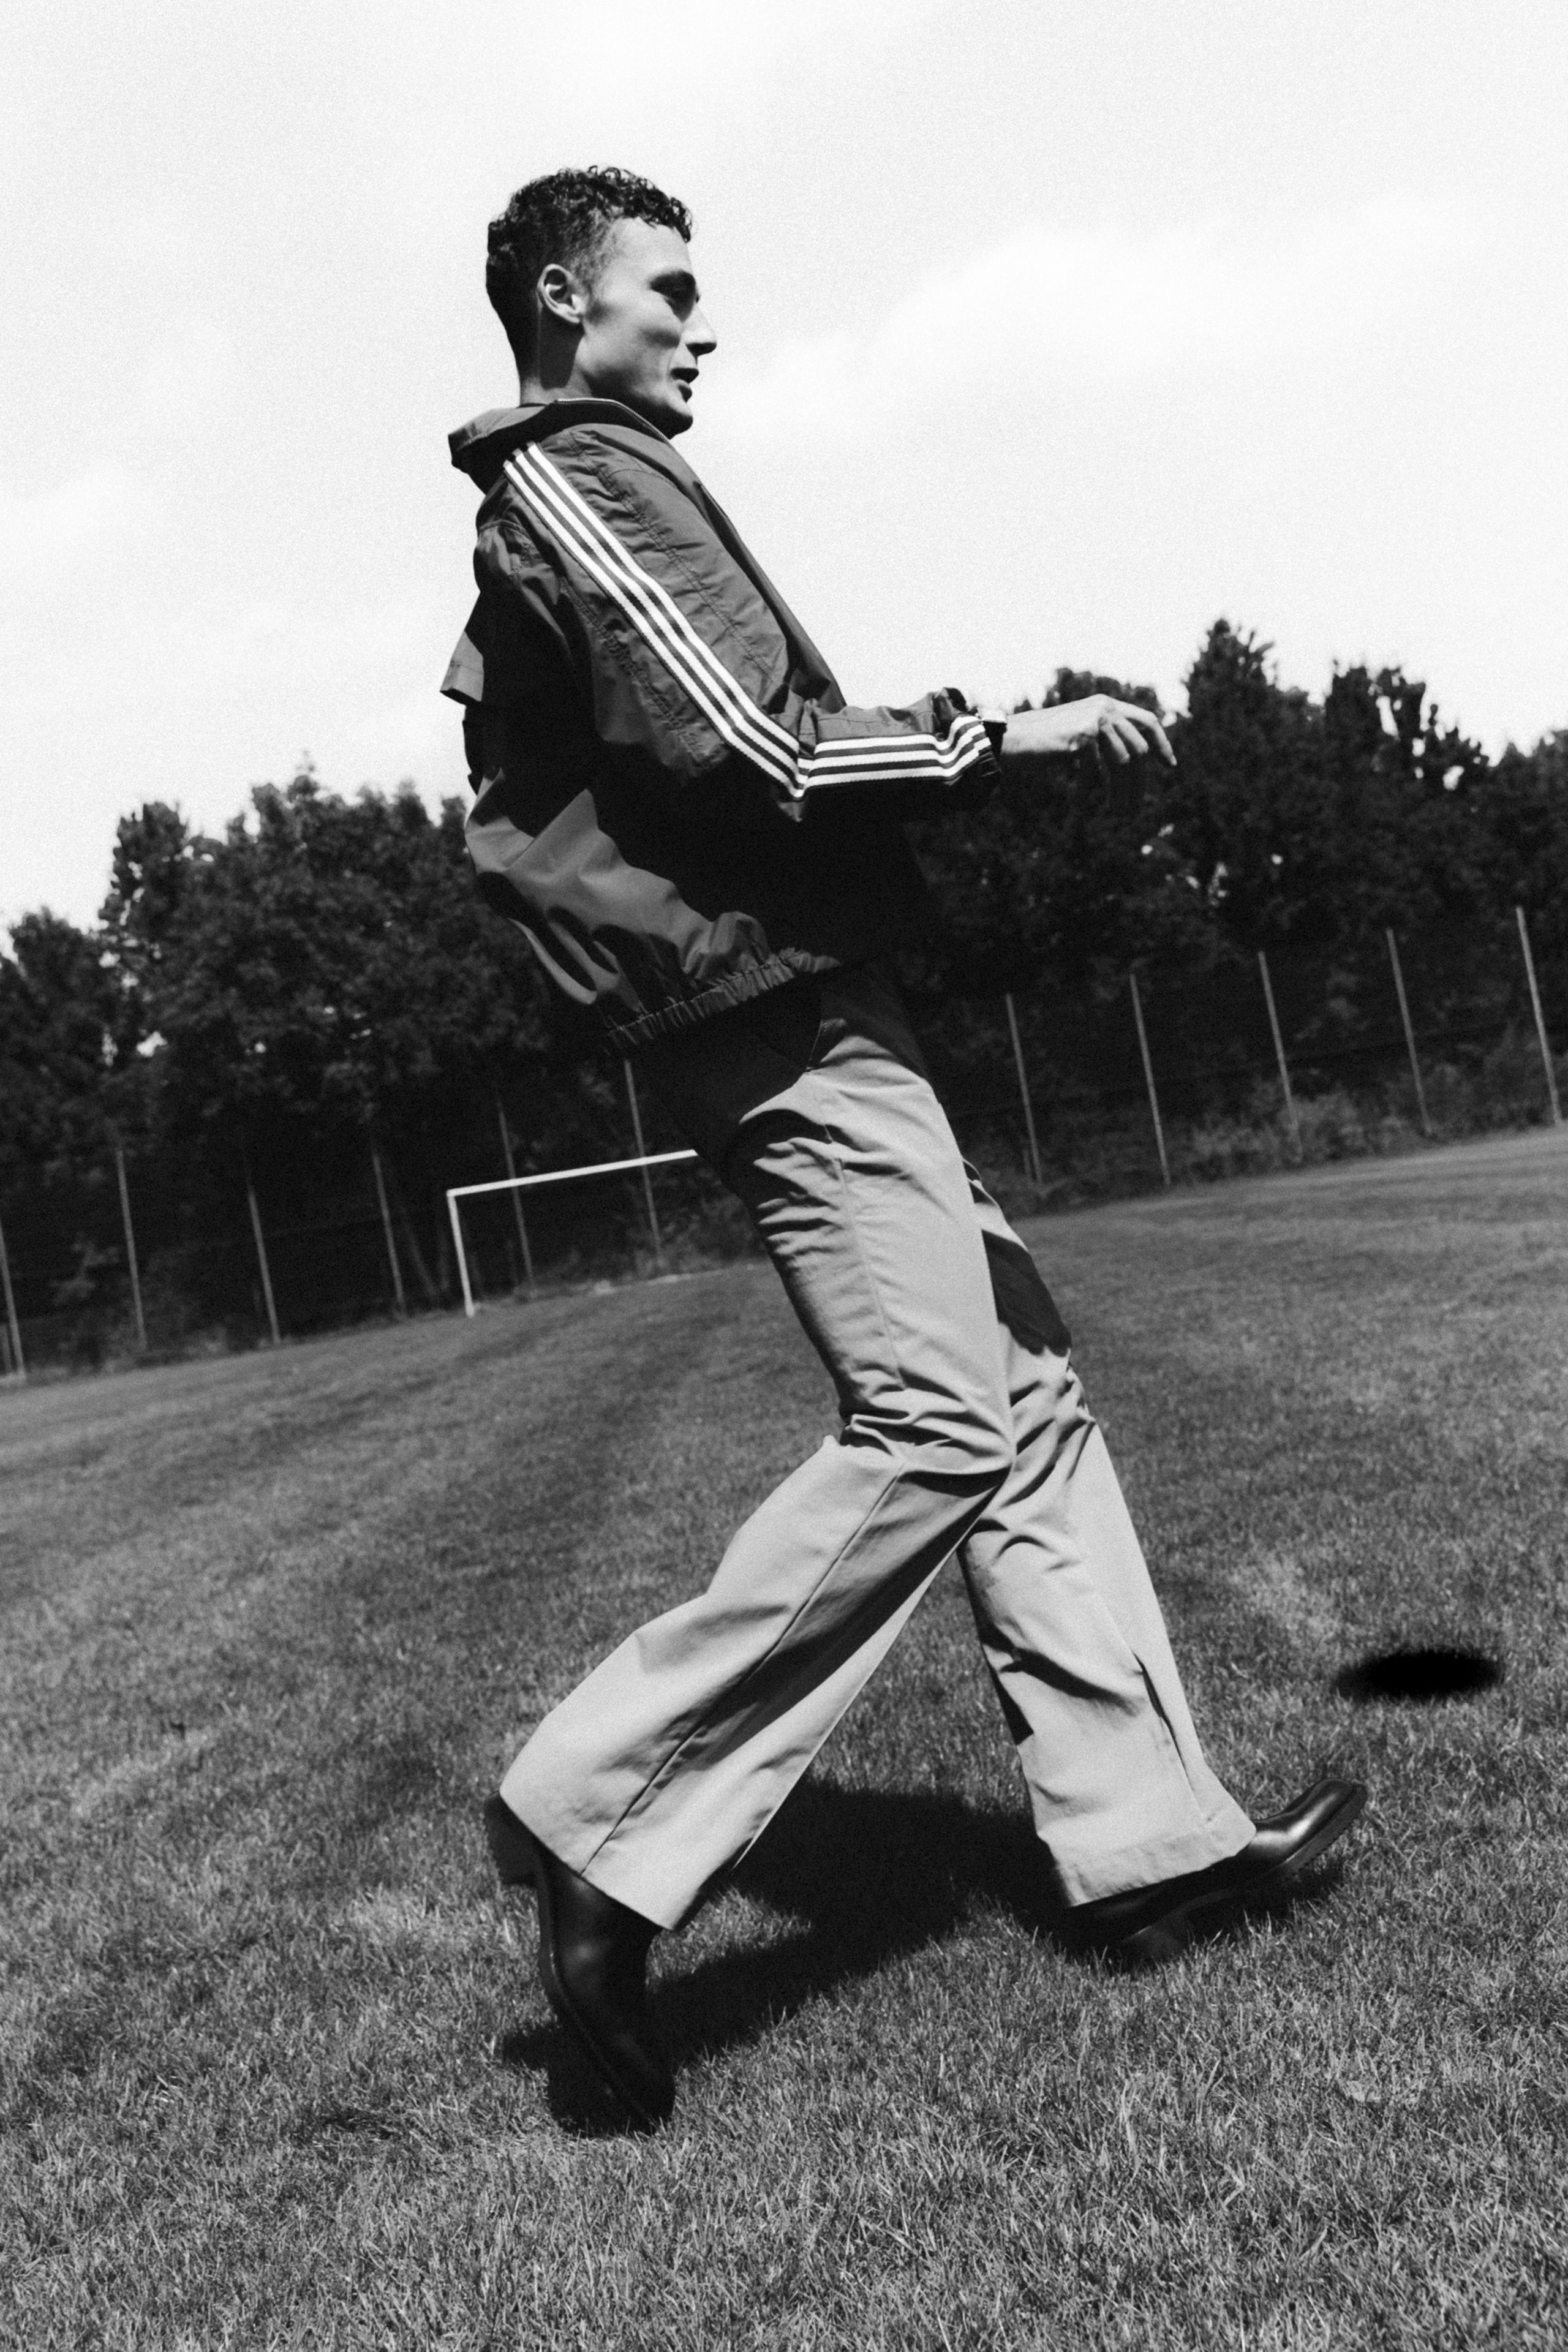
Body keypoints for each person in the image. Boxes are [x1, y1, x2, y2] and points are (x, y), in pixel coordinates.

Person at [443, 167, 1366, 2131]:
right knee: (939, 1420)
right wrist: (1002, 735)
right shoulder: (575, 480)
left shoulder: (619, 474)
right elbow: (753, 748)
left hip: (806, 989)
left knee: (1020, 1385)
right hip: (762, 1007)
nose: (700, 321)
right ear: (565, 299)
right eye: (669, 287)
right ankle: (603, 1818)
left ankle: (1154, 1845)